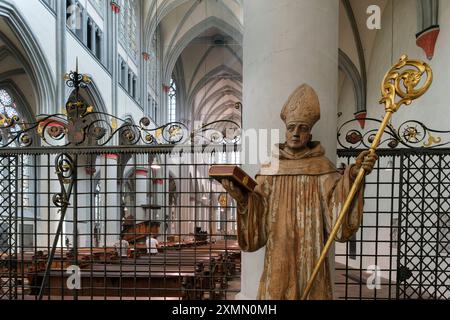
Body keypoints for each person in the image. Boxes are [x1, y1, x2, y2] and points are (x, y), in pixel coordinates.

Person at [221, 84, 377, 300]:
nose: (296, 133)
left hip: (310, 254)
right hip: (278, 255)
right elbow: (258, 209)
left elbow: (336, 212)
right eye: (292, 127)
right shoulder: (271, 167)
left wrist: (353, 175)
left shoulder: (322, 167)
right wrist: (243, 200)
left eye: (303, 128)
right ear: (285, 130)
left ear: (310, 133)